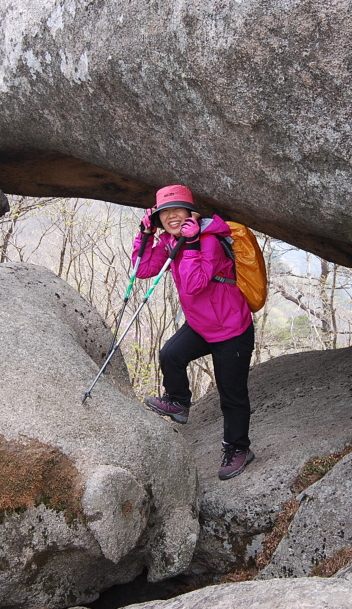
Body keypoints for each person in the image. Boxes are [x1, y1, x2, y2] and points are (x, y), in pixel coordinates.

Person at [135, 184, 256, 480]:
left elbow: (193, 285)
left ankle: (238, 448)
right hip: (202, 324)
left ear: (191, 213)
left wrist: (190, 244)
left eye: (177, 210)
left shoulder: (209, 240)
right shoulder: (167, 240)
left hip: (231, 330)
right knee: (171, 354)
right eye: (164, 213)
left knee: (232, 396)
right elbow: (144, 269)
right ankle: (179, 402)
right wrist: (146, 235)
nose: (171, 217)